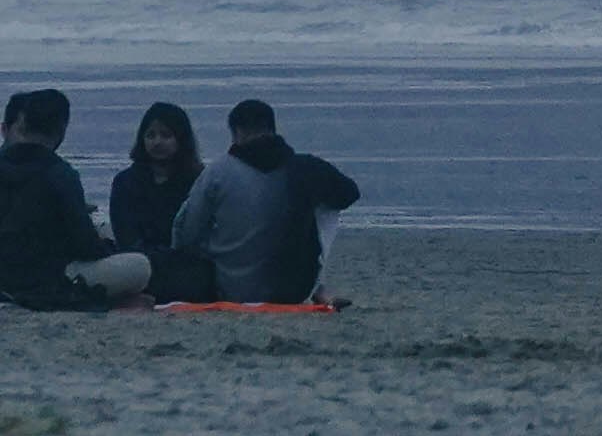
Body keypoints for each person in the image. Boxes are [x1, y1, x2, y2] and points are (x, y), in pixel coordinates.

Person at [171, 100, 361, 307]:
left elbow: (188, 232)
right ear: (272, 129)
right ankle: (318, 287)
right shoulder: (306, 168)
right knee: (325, 205)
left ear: (236, 132)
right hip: (293, 290)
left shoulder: (218, 172)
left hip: (228, 287)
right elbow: (349, 194)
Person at [0, 88, 153, 312]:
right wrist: (108, 250)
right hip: (47, 278)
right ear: (61, 129)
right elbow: (84, 245)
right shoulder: (60, 173)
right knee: (140, 266)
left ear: (21, 125)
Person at [109, 103, 208, 297]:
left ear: (181, 139)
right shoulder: (125, 182)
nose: (157, 142)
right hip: (140, 264)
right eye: (151, 135)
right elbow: (126, 235)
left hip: (186, 263)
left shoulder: (199, 181)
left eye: (166, 135)